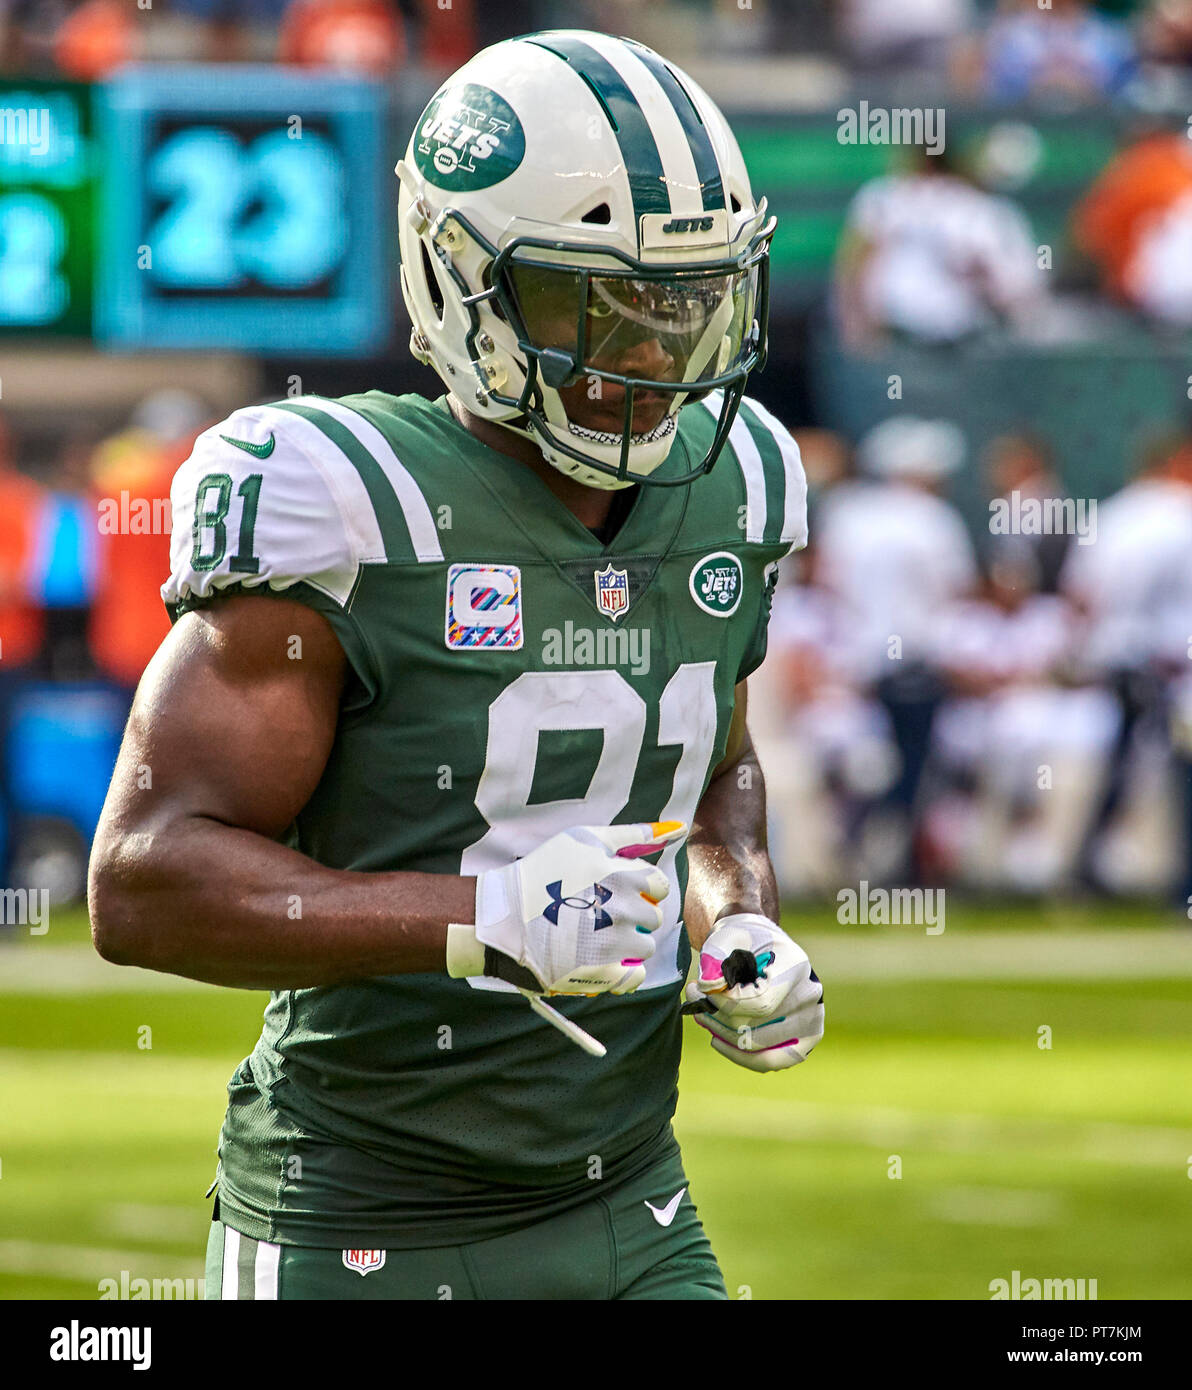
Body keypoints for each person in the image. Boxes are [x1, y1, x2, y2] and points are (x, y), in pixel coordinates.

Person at [88, 30, 824, 1301]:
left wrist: (733, 915)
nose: (652, 355)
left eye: (684, 301)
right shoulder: (342, 499)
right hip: (357, 1218)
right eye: (595, 304)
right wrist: (483, 923)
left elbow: (717, 771)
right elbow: (142, 884)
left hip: (632, 1198)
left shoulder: (740, 481)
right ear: (459, 279)